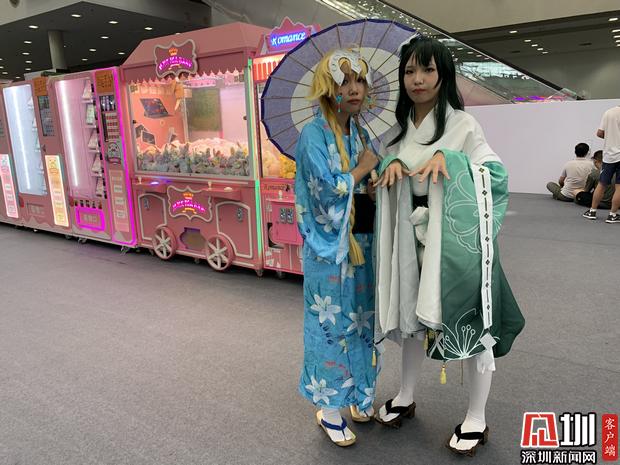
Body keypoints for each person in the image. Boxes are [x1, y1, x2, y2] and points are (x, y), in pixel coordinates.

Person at [372, 36, 525, 456]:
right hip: (412, 244)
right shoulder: (397, 132)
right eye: (409, 71)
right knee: (411, 321)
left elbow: (496, 175)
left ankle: (476, 416)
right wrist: (391, 163)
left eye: (428, 70)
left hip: (458, 246)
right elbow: (386, 177)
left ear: (444, 75)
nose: (417, 80)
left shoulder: (464, 125)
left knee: (471, 325)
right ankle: (405, 394)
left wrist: (453, 162)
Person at [294, 49, 379, 447]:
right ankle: (329, 409)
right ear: (328, 88)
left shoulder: (359, 133)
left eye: (360, 80)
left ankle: (359, 393)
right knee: (330, 325)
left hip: (361, 240)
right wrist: (361, 169)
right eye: (345, 81)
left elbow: (360, 186)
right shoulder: (313, 134)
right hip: (327, 248)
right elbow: (325, 192)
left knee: (361, 319)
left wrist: (371, 182)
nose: (354, 88)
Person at [582, 104, 620, 223]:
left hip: (609, 155)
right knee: (619, 187)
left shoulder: (609, 112)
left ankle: (592, 211)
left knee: (602, 184)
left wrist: (611, 138)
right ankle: (612, 215)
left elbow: (599, 133)